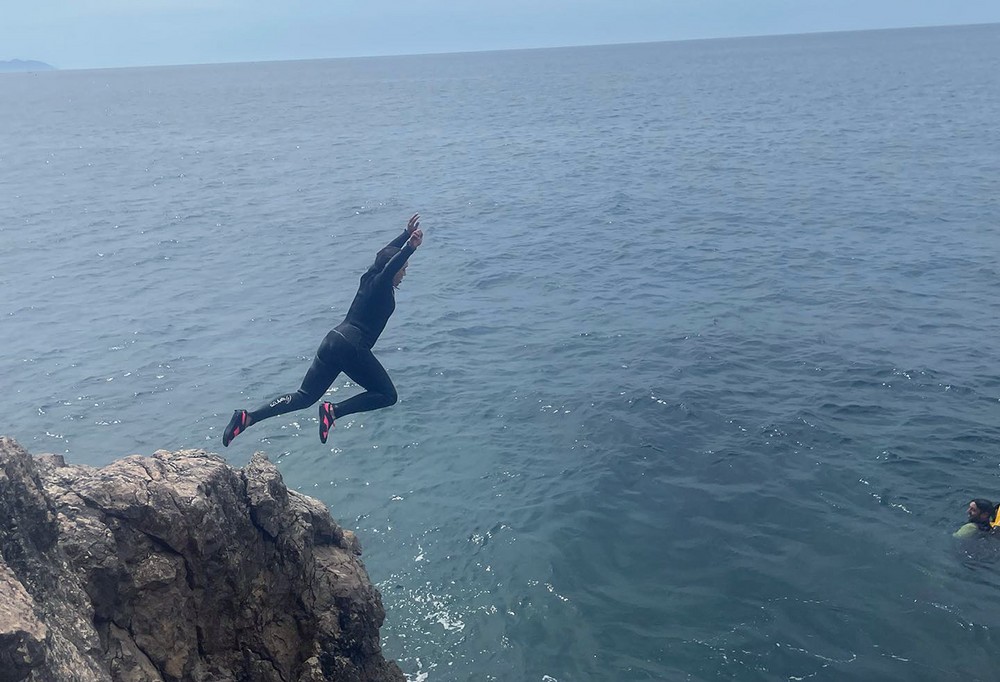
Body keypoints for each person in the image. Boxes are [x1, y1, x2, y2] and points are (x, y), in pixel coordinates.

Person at [222, 213, 424, 447]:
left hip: (333, 339)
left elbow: (383, 256)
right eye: (404, 269)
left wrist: (404, 235)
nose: (404, 273)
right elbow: (390, 265)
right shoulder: (381, 284)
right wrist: (410, 247)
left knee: (304, 396)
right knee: (388, 396)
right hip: (353, 345)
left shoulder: (369, 276)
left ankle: (248, 418)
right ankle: (334, 410)